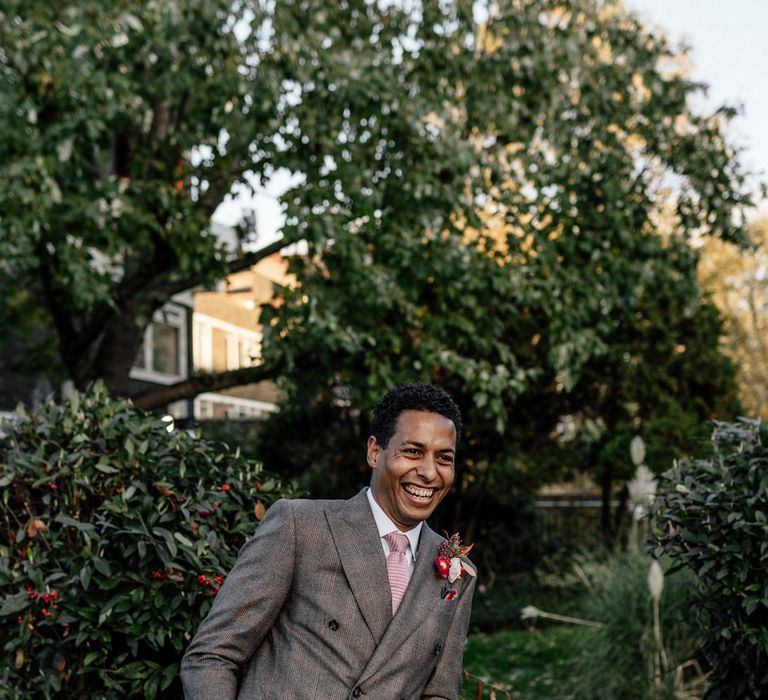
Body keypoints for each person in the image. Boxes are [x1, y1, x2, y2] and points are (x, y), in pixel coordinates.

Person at [181, 383, 477, 699]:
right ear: (375, 451)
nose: (430, 472)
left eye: (444, 458)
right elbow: (212, 655)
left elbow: (440, 692)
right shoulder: (300, 527)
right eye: (413, 452)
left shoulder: (458, 572)